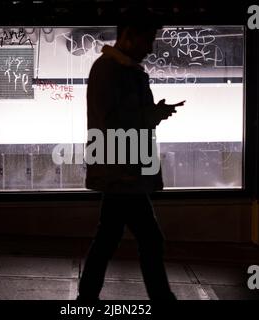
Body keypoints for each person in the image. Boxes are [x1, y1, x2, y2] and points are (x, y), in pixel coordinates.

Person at [77, 6, 183, 301]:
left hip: (124, 171)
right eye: (147, 40)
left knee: (110, 238)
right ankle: (160, 299)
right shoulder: (110, 71)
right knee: (147, 239)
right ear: (128, 36)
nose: (150, 48)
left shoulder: (118, 70)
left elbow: (120, 117)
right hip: (122, 172)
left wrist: (152, 113)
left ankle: (87, 299)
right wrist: (151, 115)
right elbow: (114, 121)